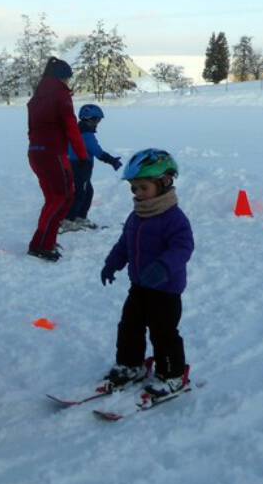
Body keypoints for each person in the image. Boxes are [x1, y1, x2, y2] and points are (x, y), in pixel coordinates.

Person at [99, 148, 195, 399]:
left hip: (166, 290)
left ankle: (173, 375)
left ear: (164, 183)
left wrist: (163, 267)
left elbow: (183, 247)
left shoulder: (174, 218)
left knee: (163, 332)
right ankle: (132, 365)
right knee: (129, 326)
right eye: (134, 189)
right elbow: (125, 244)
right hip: (139, 286)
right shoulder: (137, 216)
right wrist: (112, 263)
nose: (138, 194)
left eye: (144, 188)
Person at [26, 57, 88, 261]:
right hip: (53, 154)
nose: (68, 83)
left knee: (57, 197)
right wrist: (82, 155)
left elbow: (31, 130)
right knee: (61, 198)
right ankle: (40, 244)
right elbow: (71, 126)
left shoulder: (36, 98)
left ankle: (47, 240)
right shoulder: (60, 95)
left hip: (36, 153)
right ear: (61, 78)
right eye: (67, 78)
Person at [62, 103, 122, 232]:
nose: (98, 123)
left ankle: (80, 217)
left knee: (87, 192)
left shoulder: (77, 131)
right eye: (97, 120)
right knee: (80, 193)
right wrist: (112, 161)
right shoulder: (86, 135)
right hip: (80, 167)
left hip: (78, 166)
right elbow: (97, 151)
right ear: (91, 119)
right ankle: (69, 220)